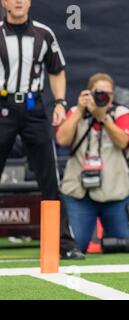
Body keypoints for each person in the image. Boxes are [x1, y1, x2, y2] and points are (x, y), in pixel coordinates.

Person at [0, 0, 83, 259]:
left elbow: (57, 70)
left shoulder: (43, 33)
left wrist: (60, 102)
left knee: (50, 180)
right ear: (3, 2)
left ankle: (65, 244)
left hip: (34, 110)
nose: (18, 1)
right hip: (2, 108)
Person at [56, 73, 129, 253]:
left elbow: (123, 142)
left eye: (107, 93)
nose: (103, 97)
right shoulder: (74, 112)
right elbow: (61, 140)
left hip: (115, 194)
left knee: (128, 245)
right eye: (98, 93)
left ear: (113, 96)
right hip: (79, 194)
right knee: (74, 247)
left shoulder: (121, 113)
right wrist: (79, 110)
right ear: (88, 93)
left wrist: (103, 117)